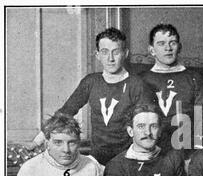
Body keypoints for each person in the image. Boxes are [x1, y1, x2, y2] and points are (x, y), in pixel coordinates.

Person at [27, 27, 156, 166]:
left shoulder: (136, 84)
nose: (110, 58)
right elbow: (65, 112)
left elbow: (148, 123)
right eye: (105, 52)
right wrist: (37, 141)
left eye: (116, 52)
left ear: (125, 53)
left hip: (128, 160)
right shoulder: (91, 81)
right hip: (97, 160)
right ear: (97, 55)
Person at [140, 24, 203, 157]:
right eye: (161, 43)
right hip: (151, 153)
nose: (168, 48)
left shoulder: (195, 78)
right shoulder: (141, 79)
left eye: (173, 43)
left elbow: (202, 120)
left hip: (187, 153)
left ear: (179, 47)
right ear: (151, 50)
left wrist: (196, 157)